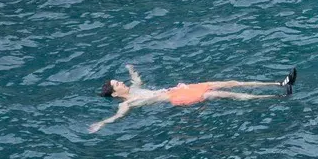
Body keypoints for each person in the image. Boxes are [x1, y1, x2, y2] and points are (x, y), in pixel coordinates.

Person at [91, 64, 295, 132]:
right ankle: (276, 96)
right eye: (118, 84)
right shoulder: (127, 102)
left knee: (229, 82)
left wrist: (131, 69)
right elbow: (117, 117)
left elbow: (136, 79)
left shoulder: (134, 89)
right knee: (221, 94)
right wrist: (101, 124)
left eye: (120, 81)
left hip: (179, 89)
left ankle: (279, 83)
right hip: (177, 98)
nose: (122, 83)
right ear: (115, 94)